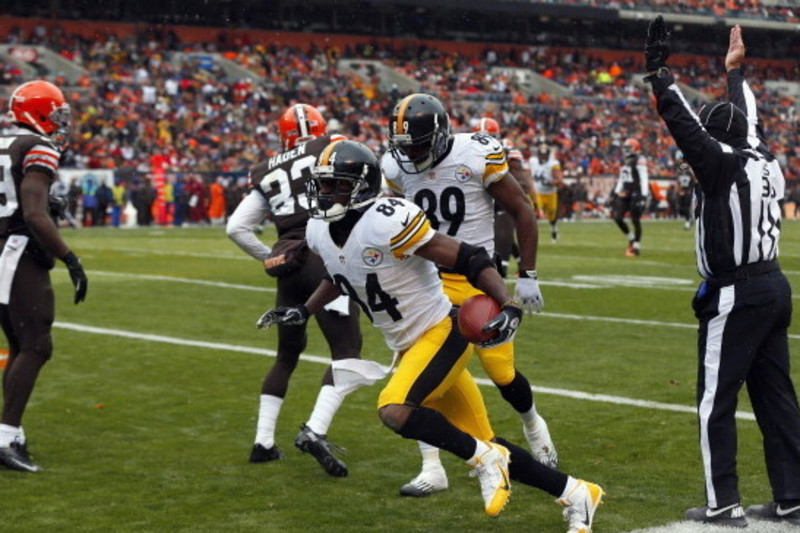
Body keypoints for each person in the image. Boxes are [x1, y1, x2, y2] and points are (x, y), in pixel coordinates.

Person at [257, 139, 604, 530]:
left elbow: (468, 257)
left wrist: (507, 302)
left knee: (394, 409)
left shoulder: (387, 218)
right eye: (321, 185)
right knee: (485, 440)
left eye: (335, 185)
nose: (324, 194)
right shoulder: (321, 229)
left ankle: (485, 461)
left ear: (363, 186)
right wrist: (303, 310)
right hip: (410, 343)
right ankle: (577, 494)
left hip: (443, 331)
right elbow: (339, 275)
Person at [644, 18, 800, 527]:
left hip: (737, 293)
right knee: (776, 398)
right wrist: (735, 74)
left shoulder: (722, 163)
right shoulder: (764, 159)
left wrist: (660, 76)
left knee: (715, 401)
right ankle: (792, 495)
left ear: (716, 138)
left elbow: (687, 128)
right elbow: (747, 121)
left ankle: (723, 503)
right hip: (774, 286)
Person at [382, 94, 555, 498]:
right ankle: (432, 465)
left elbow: (522, 210)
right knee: (422, 379)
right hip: (427, 282)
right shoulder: (393, 167)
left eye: (419, 144)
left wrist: (527, 275)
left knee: (502, 374)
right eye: (404, 147)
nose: (412, 155)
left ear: (441, 136)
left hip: (480, 281)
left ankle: (532, 423)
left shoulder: (476, 154)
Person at [226, 103, 362, 477]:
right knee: (347, 352)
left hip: (290, 267)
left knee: (287, 356)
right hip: (327, 258)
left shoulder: (268, 167)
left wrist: (271, 255)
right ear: (319, 127)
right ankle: (314, 431)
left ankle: (263, 442)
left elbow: (236, 228)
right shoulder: (330, 146)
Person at [0, 80, 88, 472]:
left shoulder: (5, 142)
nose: (60, 123)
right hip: (18, 251)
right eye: (55, 114)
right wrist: (70, 258)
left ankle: (11, 435)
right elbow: (34, 213)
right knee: (37, 344)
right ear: (37, 112)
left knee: (20, 343)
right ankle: (4, 437)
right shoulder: (37, 145)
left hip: (3, 247)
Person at [473, 117, 535, 277]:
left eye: (489, 137)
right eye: (480, 138)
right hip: (483, 201)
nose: (484, 142)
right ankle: (517, 262)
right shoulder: (466, 153)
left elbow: (519, 179)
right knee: (496, 235)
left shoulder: (508, 151)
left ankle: (504, 268)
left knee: (503, 234)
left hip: (502, 199)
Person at [610, 138, 649, 257]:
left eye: (629, 148)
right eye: (625, 148)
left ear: (635, 148)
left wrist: (643, 196)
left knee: (635, 220)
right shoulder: (625, 160)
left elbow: (643, 178)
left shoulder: (639, 159)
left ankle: (636, 246)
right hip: (625, 192)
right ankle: (631, 238)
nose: (626, 150)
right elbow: (622, 178)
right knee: (617, 217)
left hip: (636, 193)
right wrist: (615, 193)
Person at [529, 139, 563, 243]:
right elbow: (527, 174)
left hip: (550, 193)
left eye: (545, 154)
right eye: (541, 154)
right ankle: (532, 236)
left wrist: (552, 182)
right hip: (537, 192)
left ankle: (554, 230)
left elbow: (559, 180)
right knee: (533, 214)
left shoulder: (553, 163)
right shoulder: (532, 161)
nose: (543, 156)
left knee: (551, 215)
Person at [674, 151, 695, 231]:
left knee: (686, 206)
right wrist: (678, 189)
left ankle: (687, 221)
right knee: (681, 208)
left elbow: (694, 179)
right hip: (682, 190)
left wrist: (692, 188)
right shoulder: (680, 168)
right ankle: (690, 219)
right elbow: (679, 180)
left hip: (688, 190)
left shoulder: (689, 167)